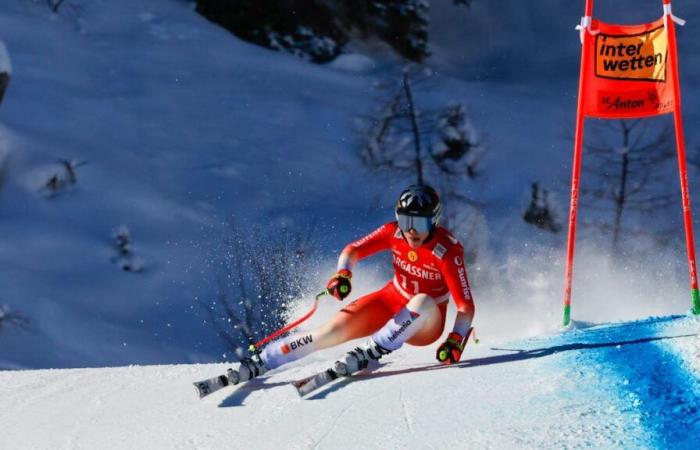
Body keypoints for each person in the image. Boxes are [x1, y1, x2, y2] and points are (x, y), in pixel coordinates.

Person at [230, 184, 476, 383]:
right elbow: (352, 250)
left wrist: (456, 339)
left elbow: (465, 306)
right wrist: (343, 274)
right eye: (405, 221)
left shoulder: (446, 250)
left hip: (425, 323)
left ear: (433, 221)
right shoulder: (394, 233)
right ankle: (264, 360)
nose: (411, 231)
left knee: (422, 300)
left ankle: (371, 350)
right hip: (390, 300)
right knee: (329, 332)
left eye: (419, 223)